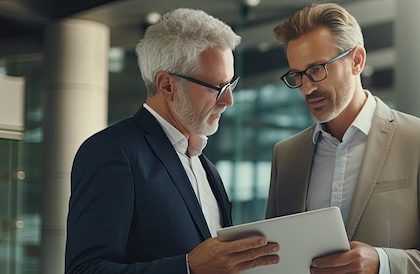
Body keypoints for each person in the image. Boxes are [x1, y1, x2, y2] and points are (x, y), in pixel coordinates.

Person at [265, 2, 420, 274]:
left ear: (356, 60)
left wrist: (383, 262)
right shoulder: (286, 155)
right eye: (297, 75)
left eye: (317, 69)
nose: (307, 87)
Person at [65, 8, 279, 273]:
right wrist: (187, 267)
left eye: (230, 85)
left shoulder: (207, 167)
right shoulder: (111, 152)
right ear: (167, 85)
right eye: (217, 88)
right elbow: (85, 270)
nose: (228, 101)